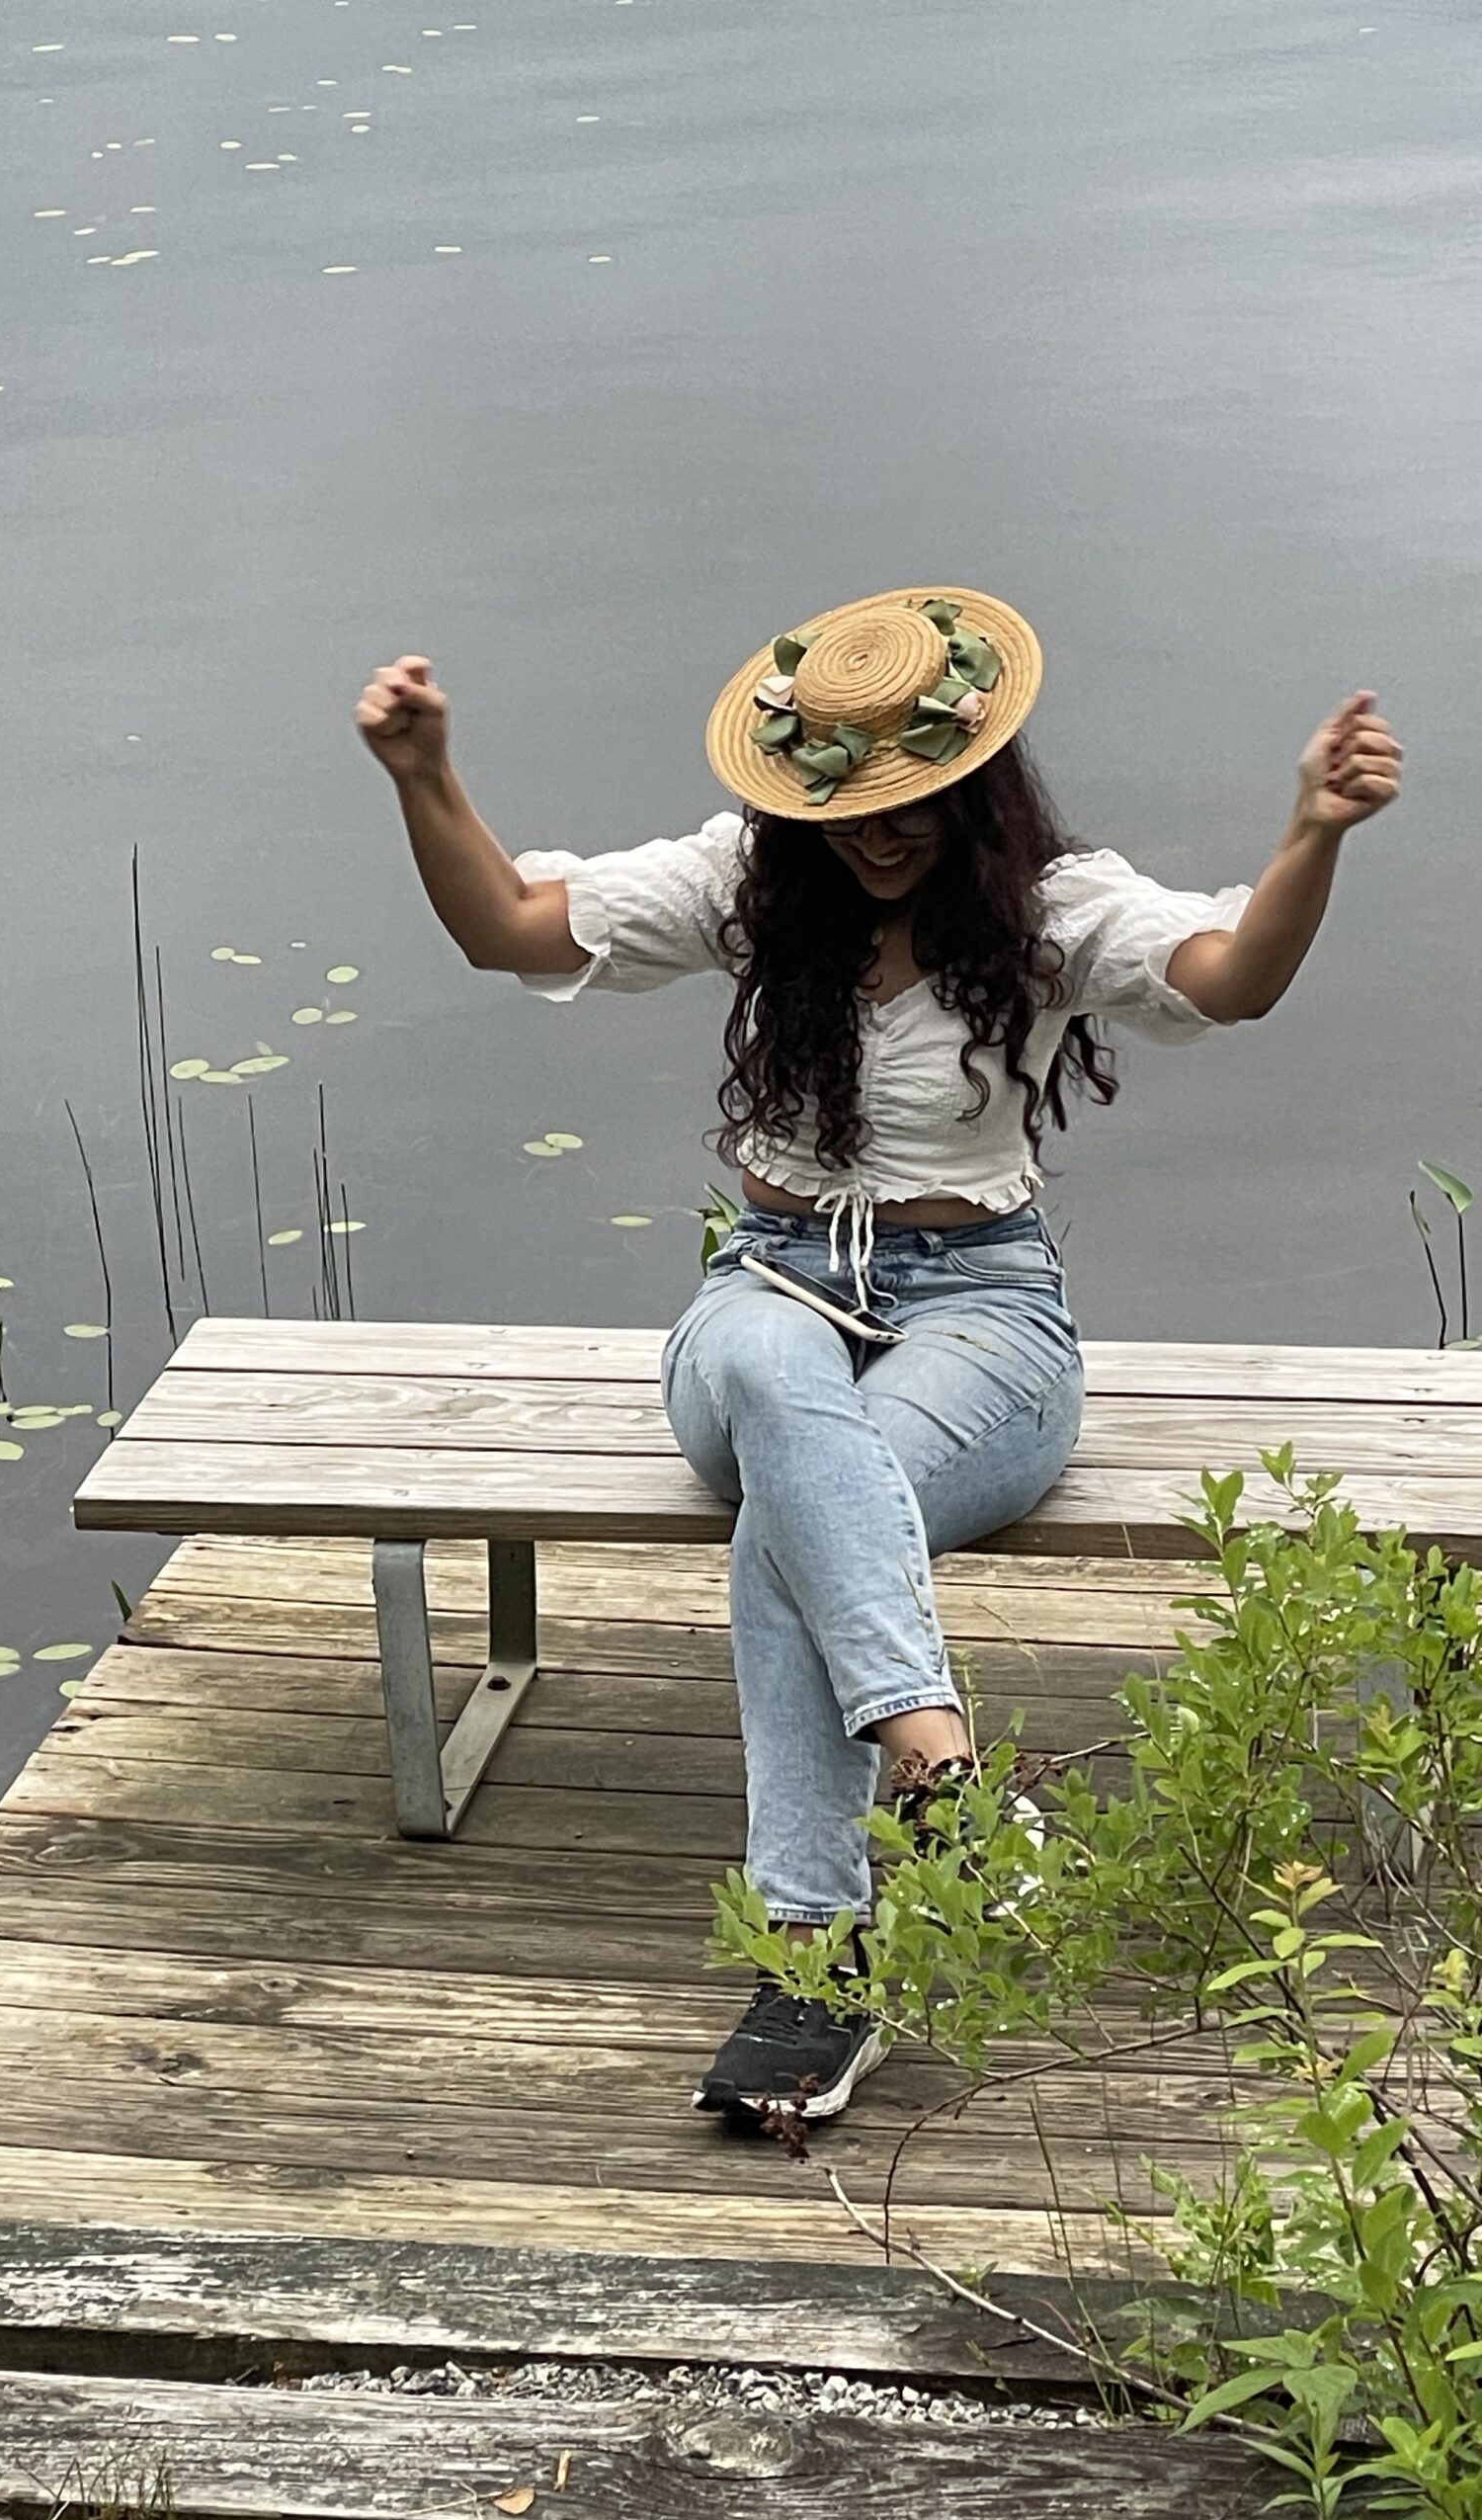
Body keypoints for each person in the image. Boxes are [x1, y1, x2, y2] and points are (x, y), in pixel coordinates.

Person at [355, 585, 1402, 2128]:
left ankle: (813, 1955)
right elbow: (508, 928)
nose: (880, 835)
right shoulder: (746, 885)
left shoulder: (1049, 909)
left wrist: (1311, 832)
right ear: (797, 800)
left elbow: (1230, 976)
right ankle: (935, 1755)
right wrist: (424, 777)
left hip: (983, 1307)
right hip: (765, 1286)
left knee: (807, 1505)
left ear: (975, 782)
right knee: (781, 1387)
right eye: (846, 808)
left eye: (913, 802)